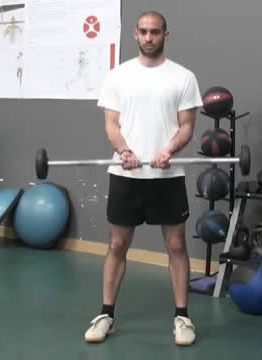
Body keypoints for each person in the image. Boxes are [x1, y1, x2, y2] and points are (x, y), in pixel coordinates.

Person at [85, 11, 204, 346]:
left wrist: (169, 150)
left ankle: (182, 317)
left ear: (167, 34)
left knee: (177, 246)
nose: (149, 37)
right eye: (143, 32)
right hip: (126, 174)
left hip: (167, 176)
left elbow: (187, 128)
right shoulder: (118, 76)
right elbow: (111, 125)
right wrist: (123, 151)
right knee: (117, 245)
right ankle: (106, 313)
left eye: (155, 32)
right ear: (135, 35)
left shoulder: (183, 78)